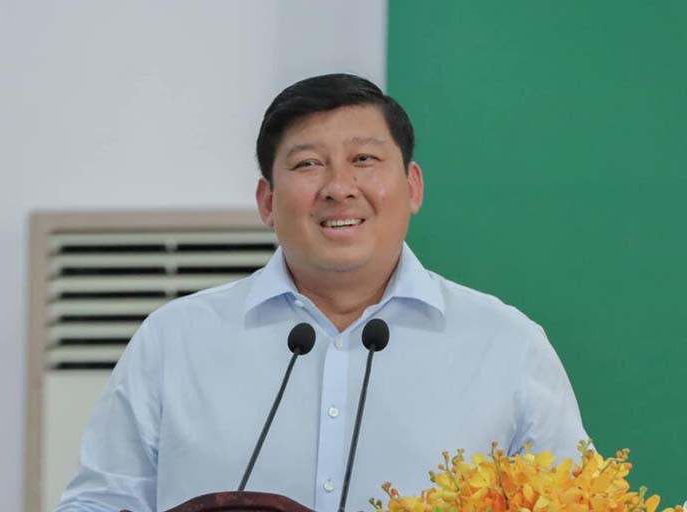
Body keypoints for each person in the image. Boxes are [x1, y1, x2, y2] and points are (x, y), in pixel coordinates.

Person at [56, 74, 588, 512]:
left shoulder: (507, 346)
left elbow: (578, 502)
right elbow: (100, 502)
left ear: (413, 187)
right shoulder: (175, 340)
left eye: (364, 160)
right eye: (308, 164)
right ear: (267, 201)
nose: (338, 188)